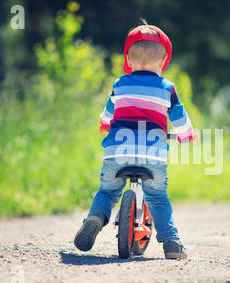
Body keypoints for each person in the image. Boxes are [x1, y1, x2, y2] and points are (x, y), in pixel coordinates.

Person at [74, 21, 197, 259]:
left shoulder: (119, 85)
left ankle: (95, 219)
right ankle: (171, 243)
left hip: (116, 152)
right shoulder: (167, 88)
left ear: (128, 60)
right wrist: (185, 134)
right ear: (163, 62)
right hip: (153, 154)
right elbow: (180, 118)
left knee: (108, 192)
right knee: (158, 197)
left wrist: (105, 123)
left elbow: (107, 115)